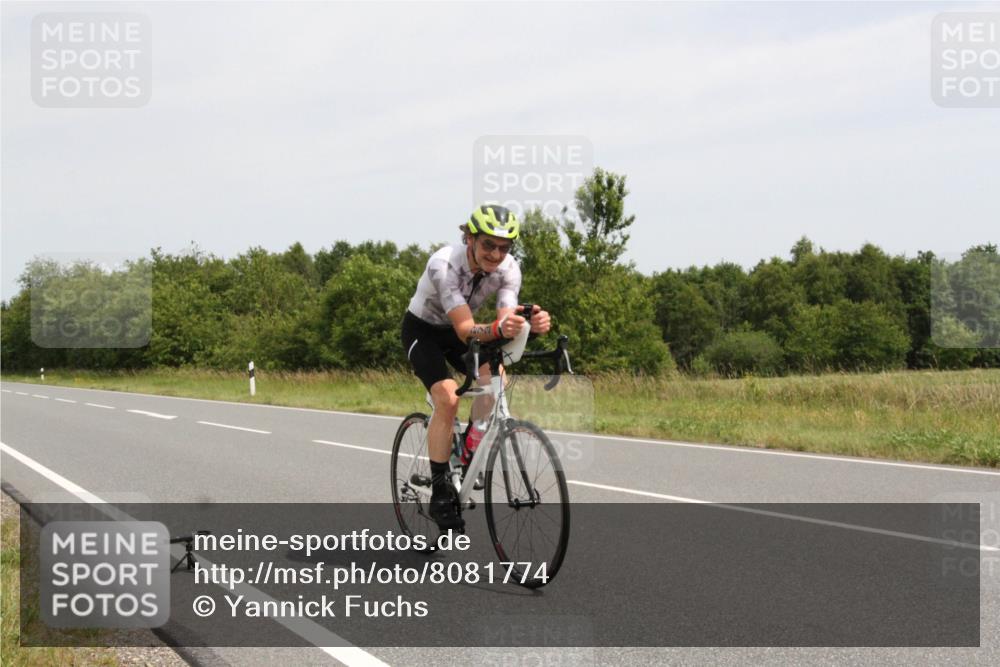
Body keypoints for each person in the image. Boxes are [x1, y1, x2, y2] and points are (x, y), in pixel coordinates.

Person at [401, 204, 551, 529]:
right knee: (447, 398)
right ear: (470, 238)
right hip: (424, 331)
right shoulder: (444, 265)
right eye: (488, 245)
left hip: (463, 331)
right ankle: (440, 492)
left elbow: (504, 323)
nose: (496, 255)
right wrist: (499, 328)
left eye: (504, 247)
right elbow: (466, 329)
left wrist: (530, 324)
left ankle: (469, 449)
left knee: (496, 379)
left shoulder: (509, 269)